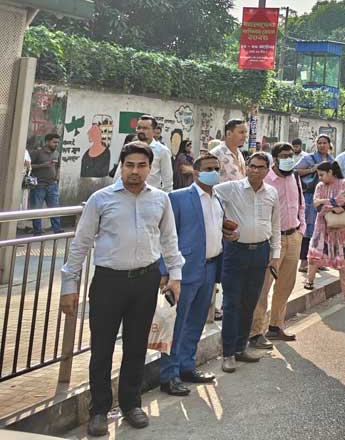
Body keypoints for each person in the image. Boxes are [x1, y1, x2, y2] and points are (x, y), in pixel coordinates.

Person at [59, 141, 184, 435]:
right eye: (129, 165)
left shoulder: (160, 200)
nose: (135, 172)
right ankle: (99, 410)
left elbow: (169, 240)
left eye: (141, 166)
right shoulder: (100, 199)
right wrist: (69, 283)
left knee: (136, 346)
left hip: (146, 281)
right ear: (121, 167)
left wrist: (175, 275)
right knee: (101, 349)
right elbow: (81, 243)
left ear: (150, 168)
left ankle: (131, 404)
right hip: (108, 282)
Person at [159, 153, 224, 397]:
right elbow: (164, 236)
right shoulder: (177, 198)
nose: (214, 172)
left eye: (217, 168)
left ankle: (187, 367)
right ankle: (169, 375)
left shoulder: (218, 198)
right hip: (184, 270)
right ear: (195, 172)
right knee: (177, 325)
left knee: (196, 322)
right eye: (209, 168)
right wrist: (164, 270)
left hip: (209, 268)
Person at [214, 152, 281, 373]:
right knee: (231, 304)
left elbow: (276, 225)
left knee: (250, 302)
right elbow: (209, 198)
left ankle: (241, 347)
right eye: (252, 166)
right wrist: (221, 225)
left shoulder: (271, 192)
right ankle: (228, 354)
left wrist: (276, 253)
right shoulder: (230, 189)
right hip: (235, 252)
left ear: (267, 170)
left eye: (261, 167)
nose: (255, 170)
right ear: (247, 167)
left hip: (261, 252)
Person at [249, 143, 305, 349]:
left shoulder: (295, 177)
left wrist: (301, 229)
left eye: (291, 155)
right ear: (274, 159)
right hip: (273, 240)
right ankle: (256, 332)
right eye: (284, 156)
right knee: (263, 287)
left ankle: (275, 326)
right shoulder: (265, 180)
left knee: (286, 285)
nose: (289, 159)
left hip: (293, 237)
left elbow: (301, 204)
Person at [306, 161, 345, 303]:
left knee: (344, 263)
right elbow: (317, 206)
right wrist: (334, 206)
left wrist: (324, 202)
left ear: (330, 172)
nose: (320, 178)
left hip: (342, 231)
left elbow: (342, 200)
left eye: (321, 175)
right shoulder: (319, 186)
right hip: (321, 228)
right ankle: (309, 280)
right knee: (314, 256)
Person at [295, 134, 334, 273]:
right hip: (310, 199)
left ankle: (318, 260)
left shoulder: (331, 160)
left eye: (324, 143)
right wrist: (313, 169)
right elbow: (296, 171)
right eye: (319, 143)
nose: (322, 145)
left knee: (322, 230)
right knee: (308, 230)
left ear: (329, 144)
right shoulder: (308, 158)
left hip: (326, 200)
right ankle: (304, 262)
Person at [29, 133, 63, 235]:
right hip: (38, 185)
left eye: (57, 142)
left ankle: (57, 229)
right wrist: (43, 165)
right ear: (47, 142)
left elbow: (58, 166)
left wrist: (57, 176)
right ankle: (37, 230)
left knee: (54, 208)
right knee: (37, 209)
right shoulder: (37, 153)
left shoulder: (56, 153)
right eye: (54, 142)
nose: (56, 144)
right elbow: (29, 166)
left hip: (52, 185)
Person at [134, 116, 173, 192]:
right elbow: (119, 175)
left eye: (145, 128)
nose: (141, 131)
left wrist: (165, 199)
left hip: (152, 196)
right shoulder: (130, 148)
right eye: (139, 128)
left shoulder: (162, 151)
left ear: (154, 131)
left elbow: (167, 180)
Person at [211, 119, 248, 183]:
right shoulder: (216, 154)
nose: (245, 136)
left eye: (245, 132)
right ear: (229, 134)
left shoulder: (239, 153)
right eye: (241, 132)